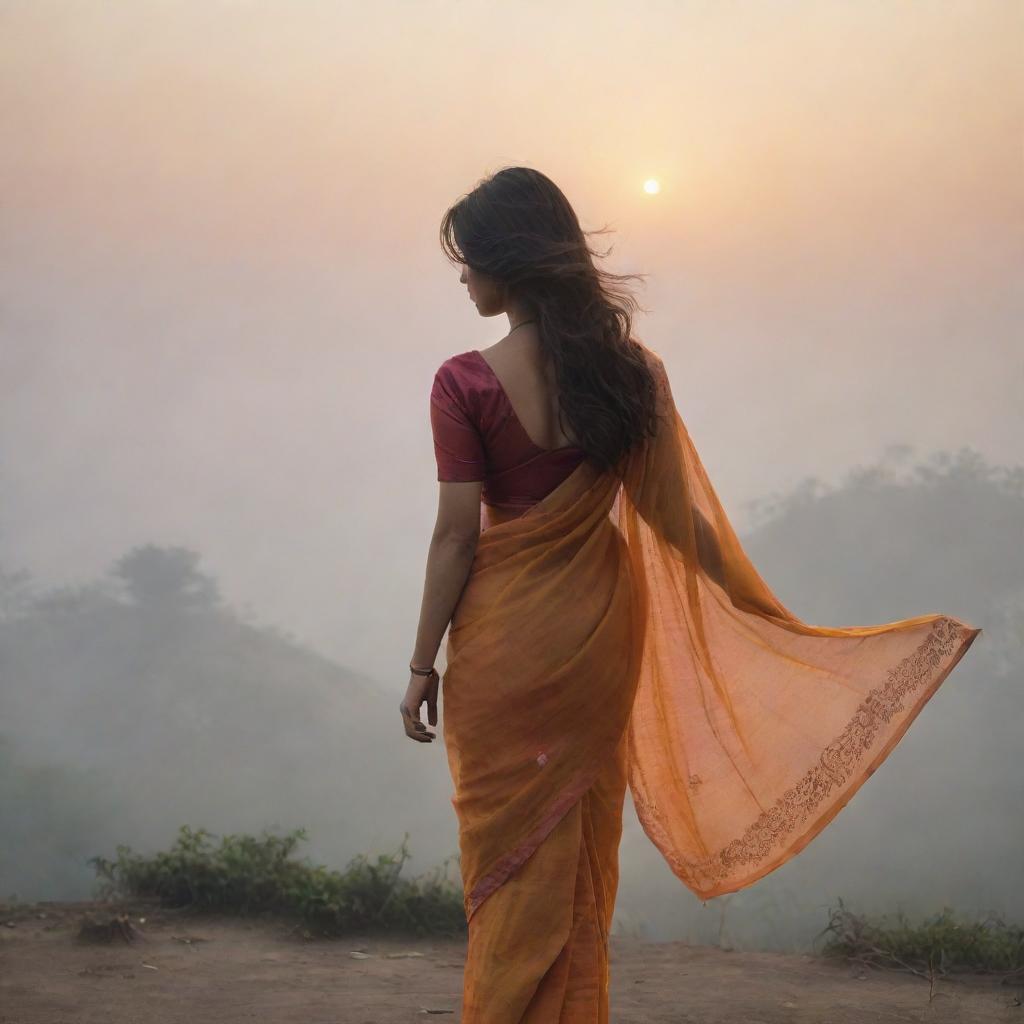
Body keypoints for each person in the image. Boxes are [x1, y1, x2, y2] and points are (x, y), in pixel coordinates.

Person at [400, 166, 982, 1023]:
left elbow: (457, 535)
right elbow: (680, 524)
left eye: (470, 258)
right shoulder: (629, 374)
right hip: (597, 633)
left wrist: (422, 664)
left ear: (511, 263)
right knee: (578, 846)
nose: (462, 276)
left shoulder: (466, 383)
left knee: (508, 857)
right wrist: (765, 612)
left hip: (503, 641)